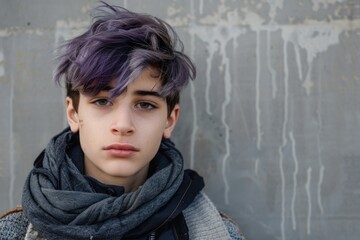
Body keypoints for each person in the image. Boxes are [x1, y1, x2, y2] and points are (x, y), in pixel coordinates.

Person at [0, 2, 244, 240]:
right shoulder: (12, 231)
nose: (123, 124)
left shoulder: (218, 232)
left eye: (145, 105)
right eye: (102, 101)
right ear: (74, 114)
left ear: (169, 121)